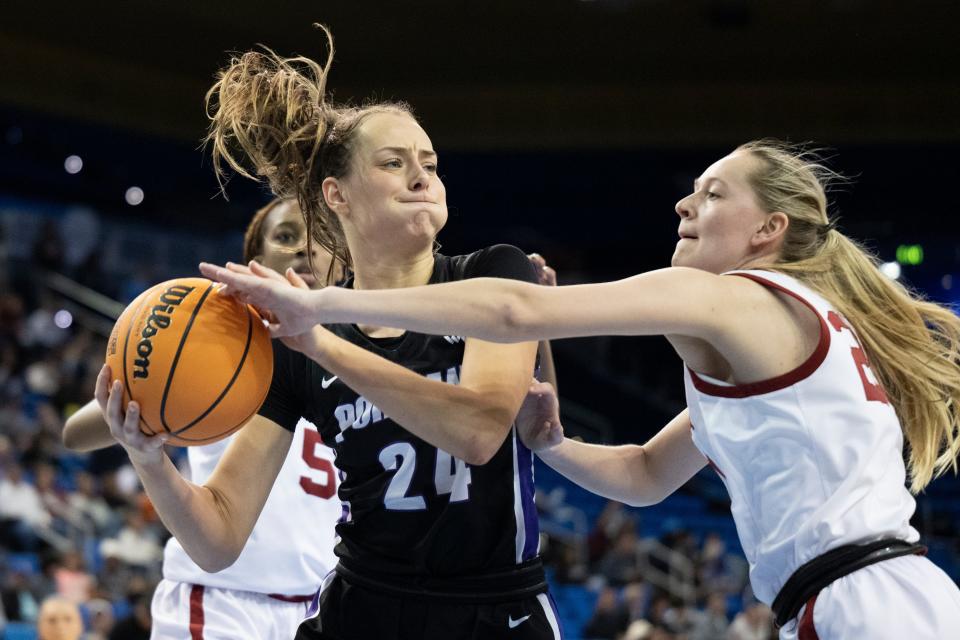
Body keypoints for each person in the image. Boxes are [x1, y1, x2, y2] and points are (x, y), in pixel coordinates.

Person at [205, 140, 960, 639]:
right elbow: (642, 476)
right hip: (865, 599)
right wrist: (555, 444)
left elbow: (514, 309)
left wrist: (325, 307)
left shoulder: (738, 299)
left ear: (768, 229)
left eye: (712, 194)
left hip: (867, 605)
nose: (683, 206)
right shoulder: (770, 356)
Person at [103, 28, 562, 640]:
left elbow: (479, 431)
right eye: (394, 163)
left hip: (492, 609)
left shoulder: (493, 272)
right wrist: (148, 457)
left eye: (430, 164)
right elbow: (218, 539)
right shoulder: (298, 346)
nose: (421, 177)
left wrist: (320, 342)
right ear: (336, 196)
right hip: (363, 605)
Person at [63, 198, 343, 639]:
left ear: (342, 265)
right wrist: (129, 409)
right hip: (220, 604)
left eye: (321, 239)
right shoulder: (220, 342)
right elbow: (74, 434)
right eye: (286, 236)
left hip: (319, 611)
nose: (303, 249)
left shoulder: (358, 358)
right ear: (254, 263)